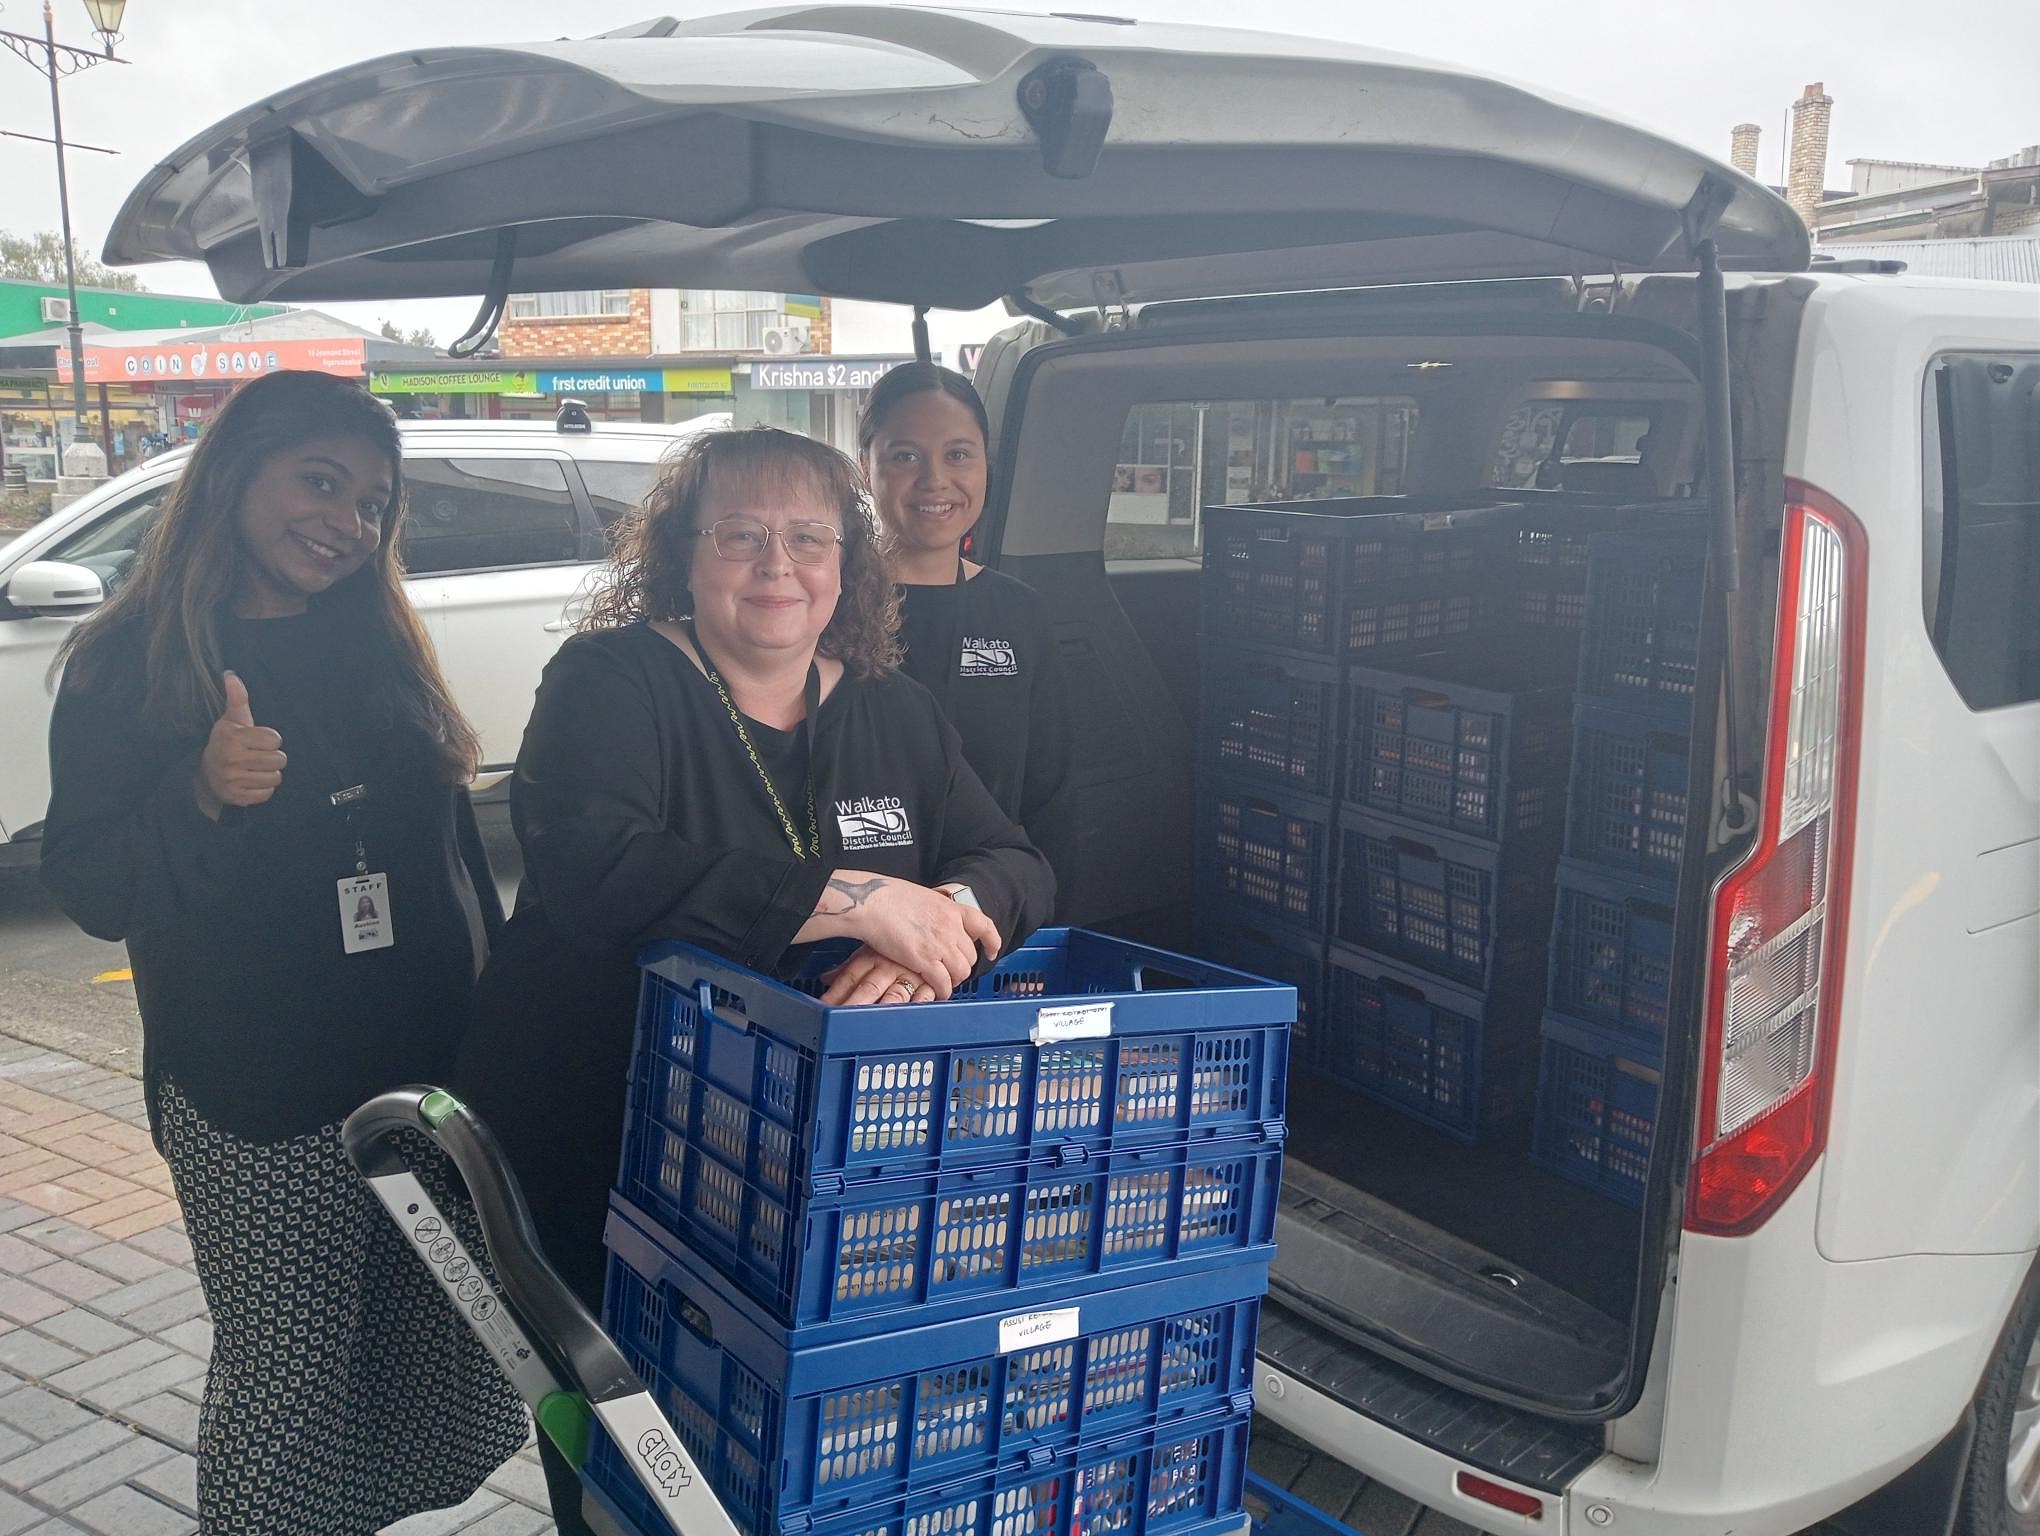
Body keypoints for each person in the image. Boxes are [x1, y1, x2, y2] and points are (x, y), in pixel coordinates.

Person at [449, 426, 1055, 1535]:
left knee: (787, 1433)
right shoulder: (612, 680)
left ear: (846, 566)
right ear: (683, 554)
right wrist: (858, 899)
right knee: (628, 1437)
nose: (778, 565)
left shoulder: (893, 708)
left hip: (811, 1153)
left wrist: (937, 921)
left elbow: (1013, 859)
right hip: (608, 1133)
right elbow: (596, 866)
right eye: (740, 535)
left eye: (809, 538)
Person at [38, 370, 528, 1535]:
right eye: (318, 482)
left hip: (421, 1068)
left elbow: (451, 857)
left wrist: (503, 1018)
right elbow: (91, 884)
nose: (346, 521)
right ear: (235, 476)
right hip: (253, 1087)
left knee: (428, 1340)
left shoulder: (379, 637)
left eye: (371, 502)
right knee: (287, 1373)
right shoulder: (132, 660)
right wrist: (202, 792)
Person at [859, 362, 1075, 907]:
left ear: (985, 467)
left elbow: (1049, 796)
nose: (935, 480)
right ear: (866, 468)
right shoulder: (821, 607)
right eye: (905, 456)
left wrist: (1038, 926)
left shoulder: (1018, 613)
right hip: (858, 920)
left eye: (958, 455)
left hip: (989, 915)